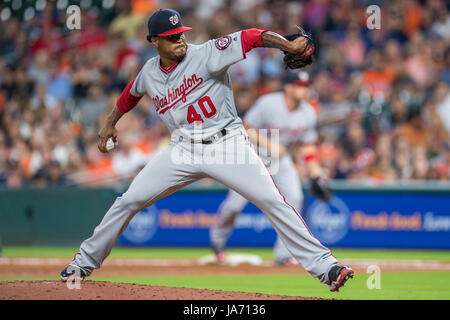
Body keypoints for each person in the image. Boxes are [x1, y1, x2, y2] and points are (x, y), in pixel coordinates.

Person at [60, 8, 353, 292]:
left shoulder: (206, 53)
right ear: (155, 41)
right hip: (182, 150)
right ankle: (82, 263)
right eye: (172, 36)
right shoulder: (149, 71)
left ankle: (326, 267)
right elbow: (130, 94)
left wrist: (286, 45)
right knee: (128, 201)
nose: (180, 40)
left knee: (273, 201)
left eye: (181, 33)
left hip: (227, 144)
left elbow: (251, 36)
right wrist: (110, 123)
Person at [210, 71, 325, 266]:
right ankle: (218, 241)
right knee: (234, 206)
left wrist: (315, 170)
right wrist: (269, 144)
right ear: (288, 87)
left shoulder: (308, 113)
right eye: (299, 85)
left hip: (281, 160)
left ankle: (283, 254)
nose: (303, 90)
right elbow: (245, 127)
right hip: (251, 155)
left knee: (295, 199)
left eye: (306, 86)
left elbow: (308, 145)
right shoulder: (269, 103)